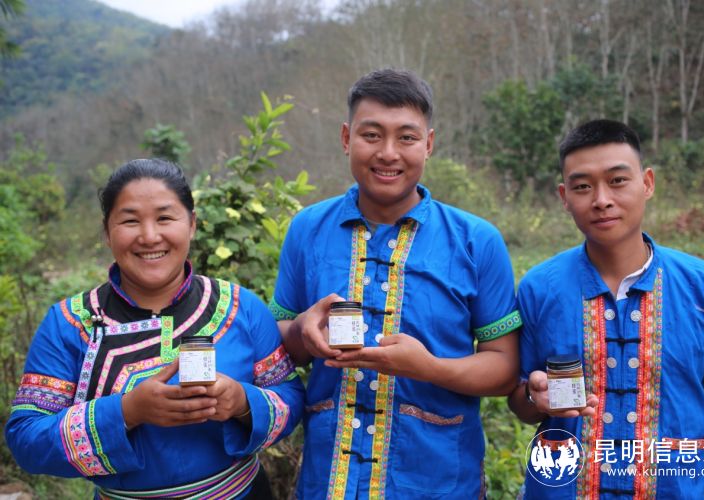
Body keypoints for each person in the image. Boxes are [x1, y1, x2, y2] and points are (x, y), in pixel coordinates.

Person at [269, 68, 521, 498]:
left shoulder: (476, 241)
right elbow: (275, 347)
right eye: (371, 135)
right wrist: (300, 333)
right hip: (328, 481)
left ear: (429, 144)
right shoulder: (307, 230)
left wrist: (429, 368)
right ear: (347, 138)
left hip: (439, 483)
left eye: (406, 137)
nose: (388, 153)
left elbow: (504, 368)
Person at [5, 159, 303, 499]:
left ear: (191, 224)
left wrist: (242, 402)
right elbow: (27, 439)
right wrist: (128, 411)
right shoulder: (68, 324)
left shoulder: (241, 307)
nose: (149, 236)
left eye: (164, 218)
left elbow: (290, 398)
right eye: (130, 221)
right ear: (107, 232)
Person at [508, 119, 704, 498]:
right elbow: (520, 401)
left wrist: (685, 458)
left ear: (647, 183)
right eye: (583, 186)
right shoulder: (539, 287)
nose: (601, 199)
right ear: (564, 197)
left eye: (617, 180)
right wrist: (533, 398)